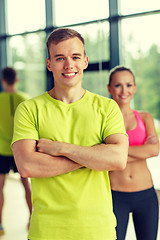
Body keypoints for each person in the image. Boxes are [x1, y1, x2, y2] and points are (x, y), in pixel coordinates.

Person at [11, 28, 128, 240]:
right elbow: (27, 166)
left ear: (85, 61)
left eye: (75, 57)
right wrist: (93, 157)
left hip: (98, 230)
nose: (69, 65)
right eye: (60, 58)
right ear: (49, 64)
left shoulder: (107, 107)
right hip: (47, 231)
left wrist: (61, 149)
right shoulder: (29, 109)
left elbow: (118, 159)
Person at [107, 66, 159, 240]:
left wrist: (115, 152)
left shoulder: (145, 117)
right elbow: (101, 157)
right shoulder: (103, 120)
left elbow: (154, 149)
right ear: (109, 88)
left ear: (135, 88)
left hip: (146, 195)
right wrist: (141, 151)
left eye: (129, 85)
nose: (124, 91)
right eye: (118, 85)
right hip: (115, 195)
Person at [0, 67, 32, 235]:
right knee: (26, 185)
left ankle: (0, 225)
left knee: (0, 187)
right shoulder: (25, 100)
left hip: (2, 151)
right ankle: (32, 219)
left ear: (3, 80)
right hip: (21, 150)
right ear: (17, 79)